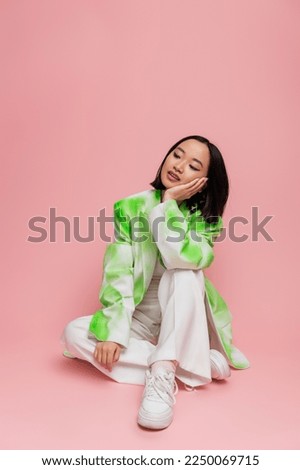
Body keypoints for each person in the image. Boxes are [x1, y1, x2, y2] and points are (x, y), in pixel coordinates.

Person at [60, 135, 250, 430]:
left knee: (186, 272)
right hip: (139, 319)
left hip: (181, 317)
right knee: (74, 333)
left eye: (193, 166)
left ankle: (162, 377)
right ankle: (190, 363)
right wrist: (113, 332)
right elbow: (118, 272)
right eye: (177, 155)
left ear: (203, 181)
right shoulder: (130, 208)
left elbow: (183, 258)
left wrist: (168, 205)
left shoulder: (204, 219)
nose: (178, 166)